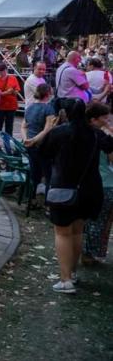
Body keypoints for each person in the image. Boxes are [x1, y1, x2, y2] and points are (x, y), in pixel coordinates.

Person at [41, 99, 113, 293]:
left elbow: (42, 153)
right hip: (90, 190)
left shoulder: (60, 132)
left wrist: (48, 128)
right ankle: (71, 273)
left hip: (63, 189)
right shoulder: (95, 134)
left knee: (62, 233)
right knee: (77, 231)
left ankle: (65, 280)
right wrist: (107, 126)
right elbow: (111, 145)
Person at [82, 101, 113, 264]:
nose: (107, 121)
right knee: (100, 221)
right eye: (105, 118)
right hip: (105, 182)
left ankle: (87, 252)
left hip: (88, 182)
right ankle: (91, 253)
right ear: (94, 119)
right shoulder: (101, 138)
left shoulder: (83, 134)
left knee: (91, 220)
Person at [21, 83, 58, 194]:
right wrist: (33, 140)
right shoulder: (49, 109)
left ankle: (31, 199)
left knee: (34, 172)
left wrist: (26, 139)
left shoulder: (30, 107)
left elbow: (23, 126)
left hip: (30, 145)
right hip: (42, 145)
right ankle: (47, 202)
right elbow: (47, 129)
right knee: (48, 174)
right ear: (48, 94)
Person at [0, 62, 20, 136]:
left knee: (9, 125)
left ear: (6, 69)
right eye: (0, 71)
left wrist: (12, 91)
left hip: (11, 106)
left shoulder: (13, 78)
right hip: (0, 105)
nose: (2, 73)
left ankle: (8, 143)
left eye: (3, 70)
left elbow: (16, 92)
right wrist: (5, 93)